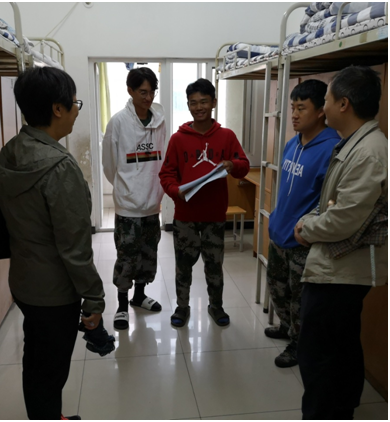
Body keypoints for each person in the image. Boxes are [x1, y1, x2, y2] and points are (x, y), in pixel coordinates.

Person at [0, 67, 105, 421]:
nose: (76, 111)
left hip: (24, 282)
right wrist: (94, 299)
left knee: (37, 359)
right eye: (75, 103)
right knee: (50, 373)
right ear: (57, 109)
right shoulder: (59, 167)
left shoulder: (11, 151)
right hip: (55, 293)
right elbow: (74, 247)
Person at [294, 66, 388, 420]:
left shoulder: (369, 152)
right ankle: (343, 407)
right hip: (340, 267)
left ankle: (326, 413)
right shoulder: (355, 142)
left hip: (341, 271)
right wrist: (315, 219)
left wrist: (307, 228)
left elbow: (343, 219)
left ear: (344, 104)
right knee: (342, 343)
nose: (324, 106)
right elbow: (334, 203)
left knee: (319, 354)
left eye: (328, 99)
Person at [159, 78, 249, 327]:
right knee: (183, 266)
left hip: (214, 216)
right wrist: (176, 191)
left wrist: (231, 164)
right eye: (193, 103)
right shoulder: (178, 139)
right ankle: (182, 307)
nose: (198, 107)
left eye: (204, 102)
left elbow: (243, 166)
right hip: (185, 216)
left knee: (214, 265)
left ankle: (216, 306)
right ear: (188, 105)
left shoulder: (226, 136)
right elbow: (166, 174)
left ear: (213, 103)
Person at [265, 80, 340, 368]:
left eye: (302, 108)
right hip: (279, 234)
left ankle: (299, 344)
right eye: (292, 108)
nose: (294, 115)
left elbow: (330, 202)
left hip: (302, 240)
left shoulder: (332, 149)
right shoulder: (292, 143)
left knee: (300, 299)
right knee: (277, 289)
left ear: (321, 111)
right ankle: (287, 327)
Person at [102, 67, 166, 330]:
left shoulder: (160, 121)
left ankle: (139, 296)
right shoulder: (118, 122)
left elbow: (162, 159)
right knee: (126, 257)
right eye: (142, 92)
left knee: (148, 254)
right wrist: (125, 188)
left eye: (152, 92)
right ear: (130, 91)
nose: (148, 97)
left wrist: (155, 191)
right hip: (128, 206)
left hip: (152, 203)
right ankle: (121, 305)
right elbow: (109, 165)